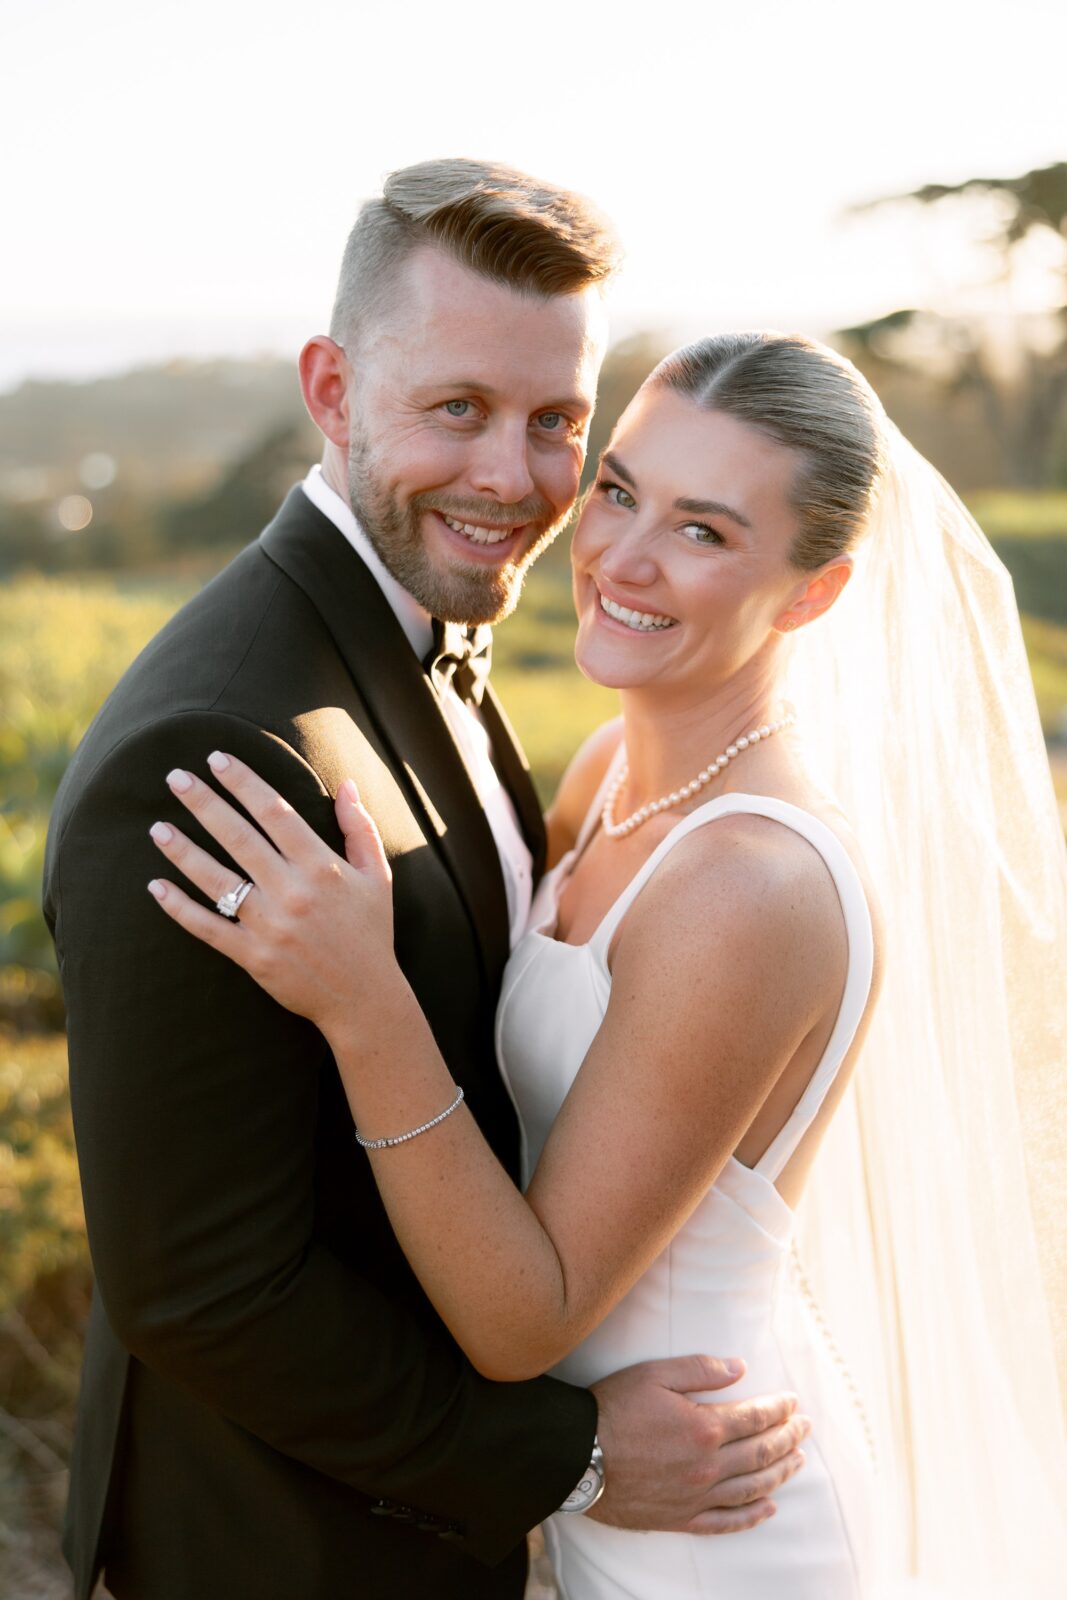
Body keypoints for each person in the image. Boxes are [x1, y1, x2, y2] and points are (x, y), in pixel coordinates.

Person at [150, 331, 1067, 1597]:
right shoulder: (607, 778)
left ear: (810, 593)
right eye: (620, 490)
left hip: (719, 1526)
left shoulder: (746, 883)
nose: (620, 558)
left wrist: (362, 1001)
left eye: (702, 531)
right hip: (620, 1496)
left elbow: (525, 1317)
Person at [42, 165, 809, 1600]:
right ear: (332, 390)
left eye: (554, 421)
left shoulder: (418, 634)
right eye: (455, 408)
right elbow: (199, 1286)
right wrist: (570, 1458)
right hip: (283, 1553)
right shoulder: (216, 747)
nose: (512, 479)